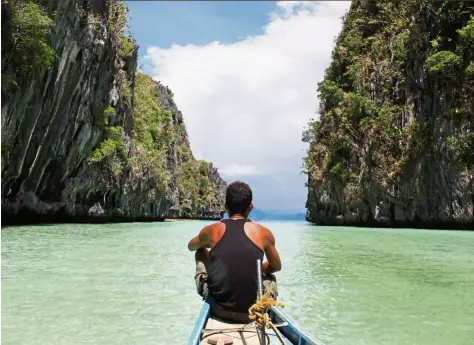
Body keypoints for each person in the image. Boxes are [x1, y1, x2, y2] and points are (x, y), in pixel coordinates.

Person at [187, 181, 282, 323]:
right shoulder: (264, 233)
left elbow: (191, 246)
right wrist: (255, 268)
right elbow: (276, 267)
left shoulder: (211, 230)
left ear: (226, 206)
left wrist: (210, 247)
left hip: (219, 309)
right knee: (270, 279)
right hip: (253, 312)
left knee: (200, 251)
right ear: (251, 206)